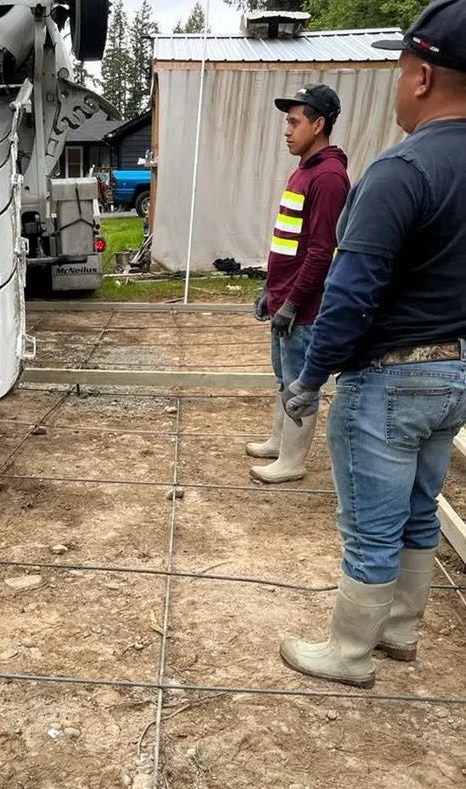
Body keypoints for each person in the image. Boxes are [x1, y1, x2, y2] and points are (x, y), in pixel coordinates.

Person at [280, 0, 466, 688]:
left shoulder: (402, 170)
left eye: (398, 69)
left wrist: (311, 375)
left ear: (420, 75)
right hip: (453, 371)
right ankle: (398, 631)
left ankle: (348, 653)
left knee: (370, 526)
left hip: (388, 379)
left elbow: (351, 292)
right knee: (419, 510)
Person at [249, 85, 350, 484]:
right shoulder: (304, 170)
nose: (286, 130)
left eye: (295, 122)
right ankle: (279, 442)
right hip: (285, 298)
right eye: (286, 122)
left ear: (319, 124)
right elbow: (290, 243)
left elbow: (322, 251)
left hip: (304, 308)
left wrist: (292, 303)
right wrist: (271, 293)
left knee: (299, 382)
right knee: (283, 376)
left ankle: (292, 460)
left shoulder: (328, 177)